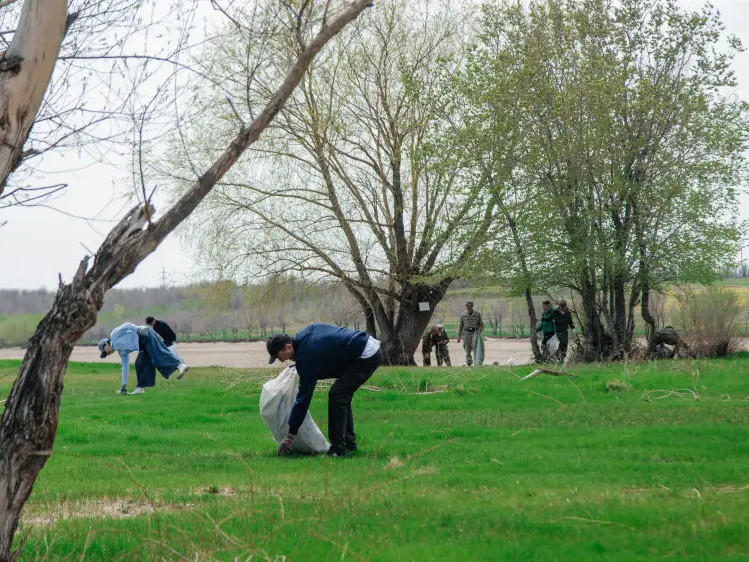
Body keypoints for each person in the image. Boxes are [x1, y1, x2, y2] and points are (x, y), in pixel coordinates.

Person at [269, 323, 382, 458]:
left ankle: (338, 450)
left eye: (279, 356)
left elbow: (303, 399)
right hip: (362, 348)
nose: (281, 361)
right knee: (341, 395)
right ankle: (349, 444)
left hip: (366, 354)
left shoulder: (307, 355)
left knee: (337, 395)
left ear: (288, 347)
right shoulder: (304, 335)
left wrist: (290, 435)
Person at [98, 322, 189, 395]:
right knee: (140, 363)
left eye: (104, 351)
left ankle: (179, 365)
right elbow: (125, 367)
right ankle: (140, 388)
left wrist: (137, 329)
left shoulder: (114, 334)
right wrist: (124, 385)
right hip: (142, 345)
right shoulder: (122, 352)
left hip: (143, 333)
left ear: (106, 344)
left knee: (157, 356)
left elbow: (127, 325)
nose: (107, 354)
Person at [457, 300, 485, 366]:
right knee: (467, 350)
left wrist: (478, 332)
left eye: (469, 305)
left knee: (476, 349)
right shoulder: (463, 315)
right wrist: (459, 336)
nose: (467, 307)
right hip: (466, 335)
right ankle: (469, 363)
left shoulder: (477, 314)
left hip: (474, 334)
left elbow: (482, 325)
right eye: (466, 305)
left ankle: (477, 363)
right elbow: (461, 326)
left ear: (472, 306)